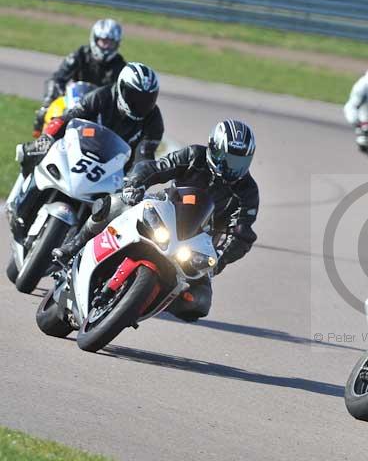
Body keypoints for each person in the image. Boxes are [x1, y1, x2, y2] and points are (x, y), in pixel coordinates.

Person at [51, 120, 259, 322]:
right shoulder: (195, 155)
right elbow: (155, 168)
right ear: (213, 148)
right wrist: (135, 184)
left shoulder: (248, 192)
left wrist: (220, 259)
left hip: (197, 242)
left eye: (239, 162)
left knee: (199, 303)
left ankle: (139, 301)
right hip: (165, 211)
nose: (232, 167)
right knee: (114, 204)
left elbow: (241, 234)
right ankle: (74, 246)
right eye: (227, 158)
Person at [9, 62, 163, 238]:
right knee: (38, 152)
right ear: (121, 88)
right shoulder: (102, 96)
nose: (140, 104)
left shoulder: (154, 120)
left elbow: (145, 154)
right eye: (134, 96)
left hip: (116, 171)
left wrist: (137, 178)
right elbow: (68, 117)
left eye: (147, 99)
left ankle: (81, 250)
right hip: (83, 151)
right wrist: (47, 138)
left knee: (117, 213)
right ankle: (20, 203)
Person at [33, 19, 126, 137]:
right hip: (73, 103)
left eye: (110, 42)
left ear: (117, 44)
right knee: (45, 113)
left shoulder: (120, 66)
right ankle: (40, 144)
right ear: (95, 39)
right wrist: (51, 99)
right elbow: (57, 78)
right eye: (103, 41)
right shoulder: (80, 54)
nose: (106, 46)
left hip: (100, 110)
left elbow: (122, 95)